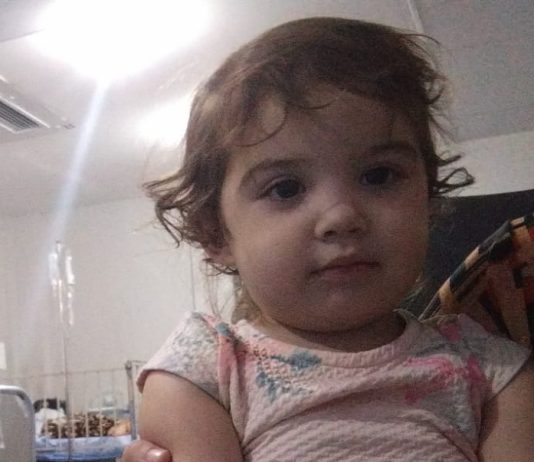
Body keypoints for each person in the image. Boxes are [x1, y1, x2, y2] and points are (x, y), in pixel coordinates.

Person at [123, 17, 534, 462]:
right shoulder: (203, 367)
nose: (342, 217)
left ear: (427, 203)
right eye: (285, 188)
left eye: (379, 176)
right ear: (215, 233)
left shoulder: (491, 367)